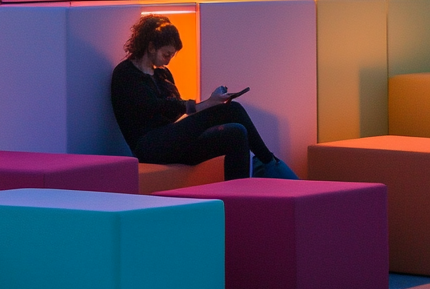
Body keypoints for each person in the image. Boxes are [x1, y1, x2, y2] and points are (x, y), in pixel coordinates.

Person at [110, 15, 297, 181]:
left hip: (172, 141)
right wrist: (206, 105)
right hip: (149, 146)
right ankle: (270, 163)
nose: (168, 61)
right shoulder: (126, 74)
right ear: (151, 47)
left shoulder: (162, 74)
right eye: (166, 54)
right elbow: (156, 107)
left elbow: (173, 112)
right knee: (232, 109)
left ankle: (238, 197)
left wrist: (206, 107)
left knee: (237, 132)